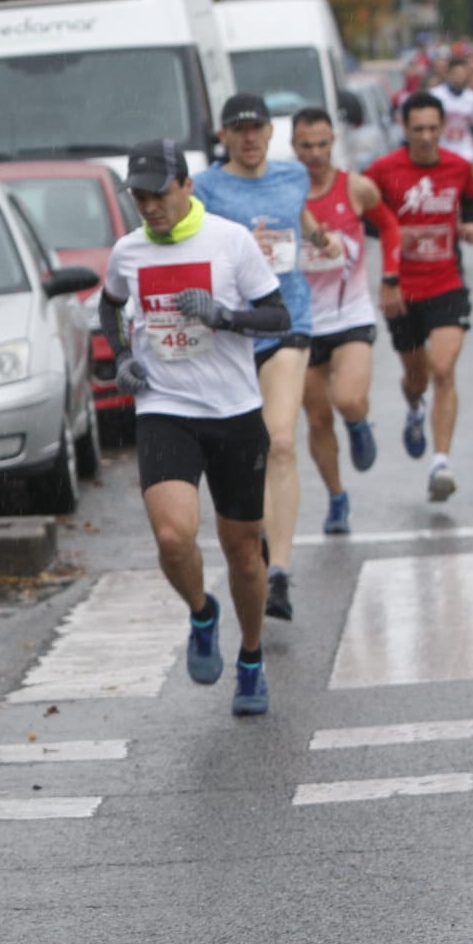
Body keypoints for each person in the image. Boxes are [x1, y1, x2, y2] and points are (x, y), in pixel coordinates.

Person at [98, 140, 294, 716]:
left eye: (159, 194)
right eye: (140, 197)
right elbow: (109, 307)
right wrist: (120, 358)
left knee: (243, 553)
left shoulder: (231, 241)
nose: (150, 207)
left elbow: (277, 316)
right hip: (165, 410)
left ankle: (251, 660)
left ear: (186, 185)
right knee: (172, 537)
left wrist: (224, 315)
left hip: (234, 414)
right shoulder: (128, 252)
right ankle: (202, 613)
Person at [191, 93, 341, 623]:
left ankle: (279, 572)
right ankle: (249, 535)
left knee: (280, 440)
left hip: (288, 320)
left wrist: (322, 238)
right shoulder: (205, 188)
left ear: (270, 134)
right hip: (230, 334)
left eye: (257, 129)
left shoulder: (292, 176)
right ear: (225, 136)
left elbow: (298, 217)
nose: (250, 138)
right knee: (240, 448)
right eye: (239, 130)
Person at [290, 108, 403, 534]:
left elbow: (389, 229)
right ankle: (337, 497)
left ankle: (357, 423)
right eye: (307, 146)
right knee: (317, 420)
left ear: (333, 140)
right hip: (302, 322)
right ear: (293, 146)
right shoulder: (286, 195)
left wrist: (390, 277)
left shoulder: (355, 188)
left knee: (350, 398)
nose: (316, 154)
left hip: (350, 312)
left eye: (322, 144)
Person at [365, 92, 473, 501]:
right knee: (416, 376)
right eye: (419, 130)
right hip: (402, 290)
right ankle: (415, 408)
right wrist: (397, 235)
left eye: (434, 128)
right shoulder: (382, 171)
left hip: (447, 282)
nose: (428, 137)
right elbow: (365, 219)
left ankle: (441, 464)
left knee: (443, 369)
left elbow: (470, 201)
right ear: (404, 128)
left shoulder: (460, 167)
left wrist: (468, 226)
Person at [432, 55, 473, 171]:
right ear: (449, 73)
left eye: (462, 73)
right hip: (443, 146)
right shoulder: (436, 95)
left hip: (464, 147)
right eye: (456, 73)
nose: (458, 77)